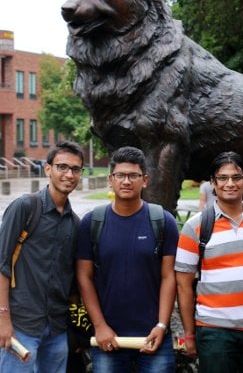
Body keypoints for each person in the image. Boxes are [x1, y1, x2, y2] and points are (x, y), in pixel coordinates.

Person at [76, 146, 179, 372]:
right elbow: (84, 277)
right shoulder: (92, 222)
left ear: (145, 180)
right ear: (110, 180)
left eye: (133, 175)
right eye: (120, 175)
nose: (126, 181)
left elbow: (169, 276)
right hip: (108, 336)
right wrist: (100, 326)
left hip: (154, 334)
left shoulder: (163, 221)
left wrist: (162, 325)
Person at [175, 151, 243, 373]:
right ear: (213, 183)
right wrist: (189, 334)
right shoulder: (195, 227)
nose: (230, 183)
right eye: (222, 178)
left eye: (236, 177)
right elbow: (183, 285)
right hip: (215, 333)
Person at [0, 140, 84, 372]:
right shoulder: (25, 207)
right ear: (48, 169)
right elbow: (2, 265)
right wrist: (3, 320)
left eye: (75, 169)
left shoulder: (75, 224)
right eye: (62, 167)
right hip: (21, 325)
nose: (69, 174)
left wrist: (76, 328)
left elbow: (72, 281)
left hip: (56, 329)